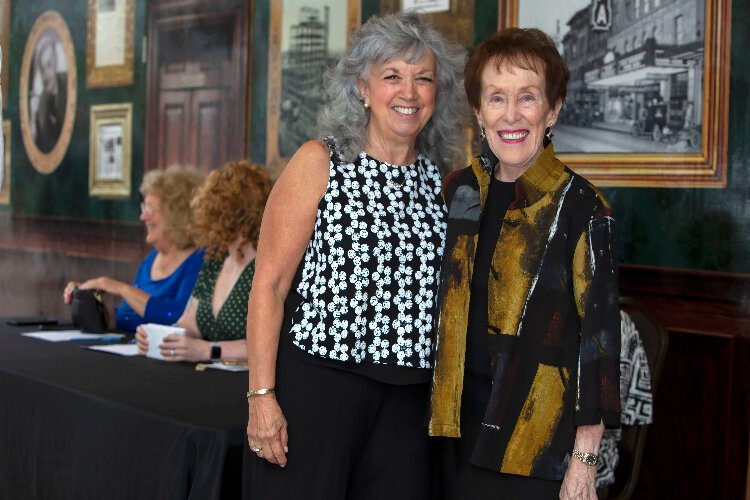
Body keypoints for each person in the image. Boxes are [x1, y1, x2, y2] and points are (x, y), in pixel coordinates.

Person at [243, 11, 465, 500]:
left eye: (422, 78)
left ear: (436, 95)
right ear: (362, 87)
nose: (408, 92)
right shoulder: (319, 162)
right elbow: (270, 285)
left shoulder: (443, 182)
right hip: (318, 391)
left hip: (408, 407)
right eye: (392, 76)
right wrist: (261, 397)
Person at [428, 27, 620, 499]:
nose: (510, 115)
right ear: (478, 111)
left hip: (535, 448)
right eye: (496, 98)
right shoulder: (458, 192)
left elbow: (600, 347)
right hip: (449, 436)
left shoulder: (583, 206)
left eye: (527, 97)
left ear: (552, 109)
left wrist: (584, 460)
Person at [135, 161, 272, 363]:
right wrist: (160, 336)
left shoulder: (267, 267)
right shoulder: (216, 259)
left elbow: (269, 344)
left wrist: (208, 350)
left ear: (236, 214)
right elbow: (188, 323)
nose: (208, 218)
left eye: (216, 211)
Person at [63, 165, 205, 332]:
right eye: (144, 208)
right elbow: (127, 318)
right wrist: (90, 302)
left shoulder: (198, 261)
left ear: (178, 214)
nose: (143, 216)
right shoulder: (151, 260)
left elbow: (178, 318)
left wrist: (120, 288)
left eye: (151, 209)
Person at [31, 32, 67, 153]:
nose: (46, 74)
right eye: (43, 68)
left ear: (56, 62)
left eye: (49, 65)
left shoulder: (67, 89)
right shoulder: (42, 103)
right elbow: (42, 144)